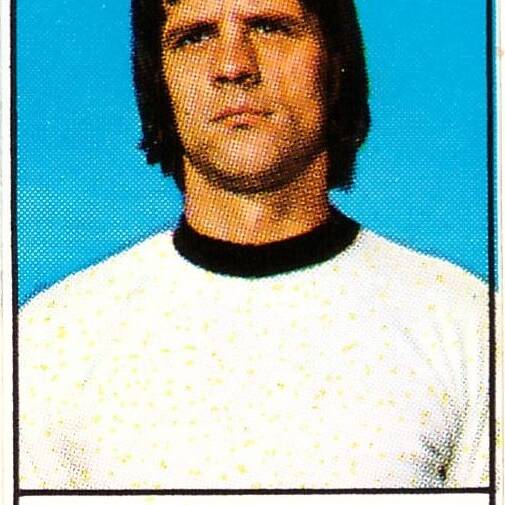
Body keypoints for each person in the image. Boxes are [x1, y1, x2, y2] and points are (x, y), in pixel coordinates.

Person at [19, 0, 489, 490]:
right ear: (159, 80)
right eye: (195, 37)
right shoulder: (51, 339)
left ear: (335, 62)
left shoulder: (467, 325)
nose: (233, 65)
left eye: (270, 27)